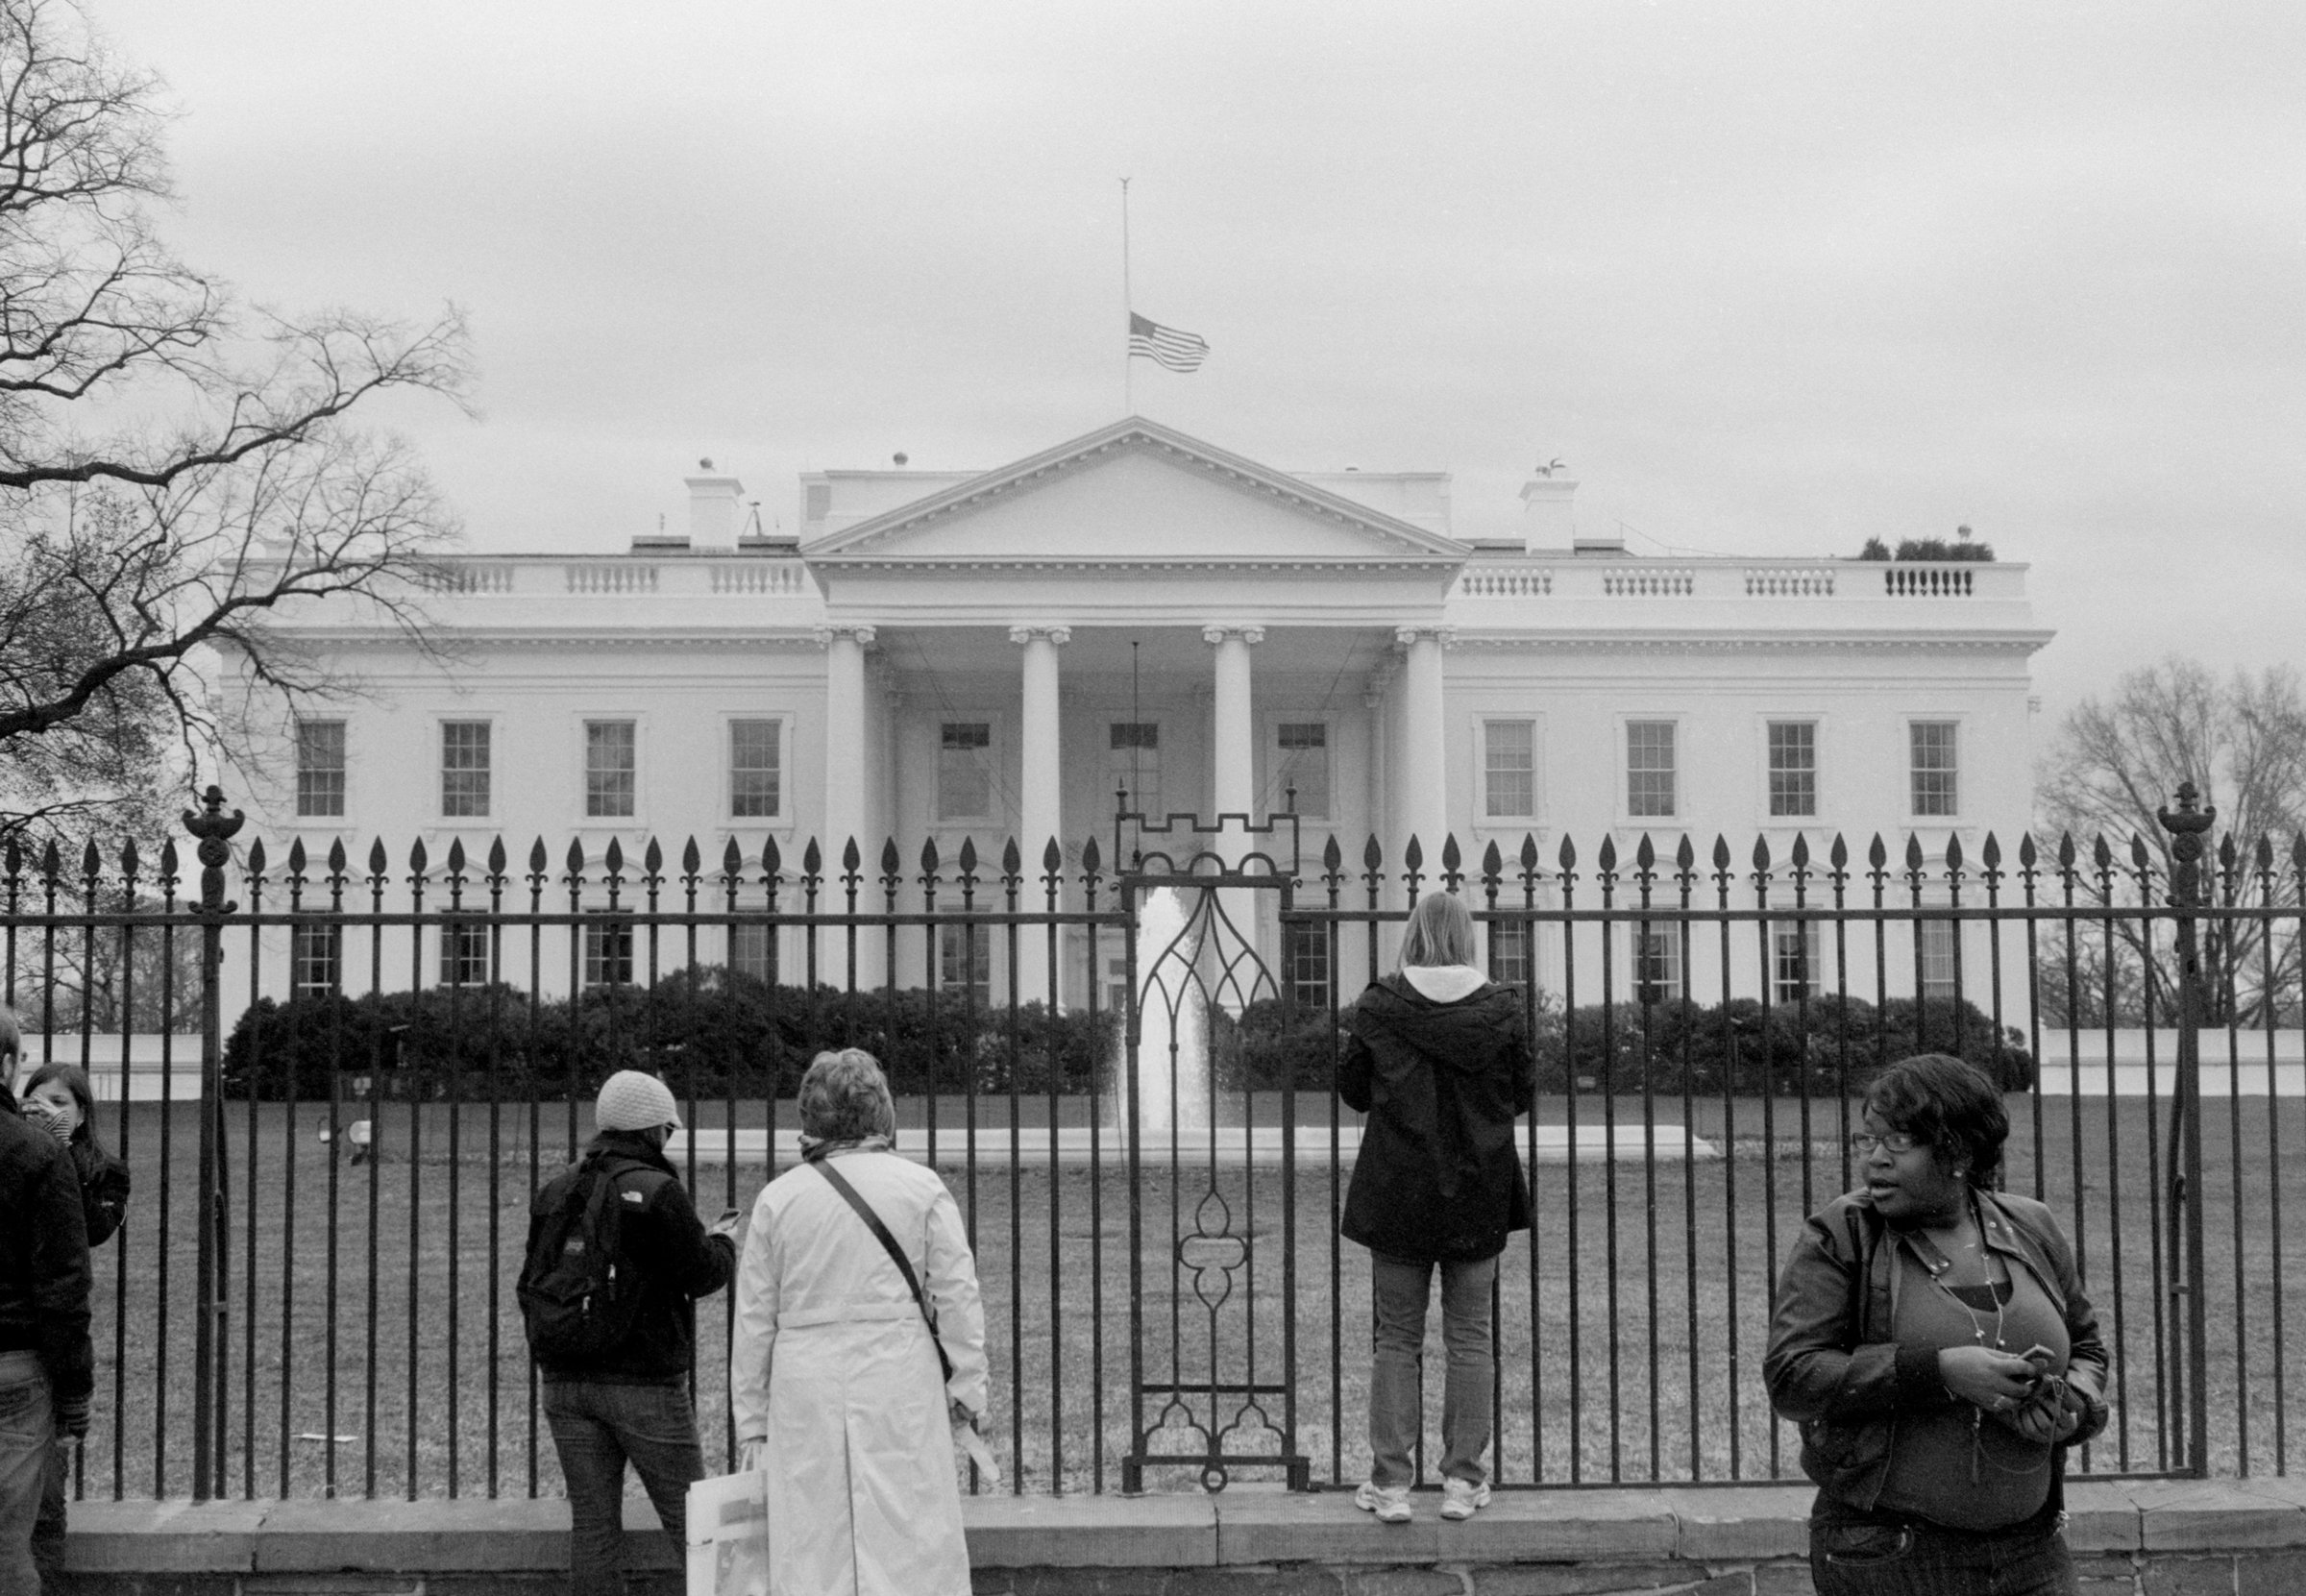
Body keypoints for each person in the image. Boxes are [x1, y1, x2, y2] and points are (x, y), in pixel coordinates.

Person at [1765, 1053, 2111, 1596]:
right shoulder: (1844, 1235)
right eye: (1867, 1140)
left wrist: (2076, 1410)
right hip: (1889, 1555)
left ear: (1959, 1149)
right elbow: (1793, 1375)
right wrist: (1940, 1372)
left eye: (1899, 1141)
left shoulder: (2031, 1227)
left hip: (2034, 1554)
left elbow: (2088, 1347)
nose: (1874, 1160)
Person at [730, 1048, 987, 1596]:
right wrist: (968, 1386)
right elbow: (959, 1296)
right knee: (911, 1529)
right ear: (881, 1109)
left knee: (812, 1538)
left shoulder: (779, 1199)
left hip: (806, 1381)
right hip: (899, 1372)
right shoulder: (919, 1188)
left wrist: (752, 1418)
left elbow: (754, 1320)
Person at [1338, 891, 1533, 1524]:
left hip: (1399, 1189)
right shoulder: (1501, 1009)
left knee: (1396, 1338)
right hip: (1477, 1190)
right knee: (1470, 1339)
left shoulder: (1380, 1005)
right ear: (1467, 936)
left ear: (1415, 933)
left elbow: (1353, 1091)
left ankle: (1391, 1483)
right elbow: (1522, 1095)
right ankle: (1462, 1479)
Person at [527, 1070, 737, 1596]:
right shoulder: (658, 1190)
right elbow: (701, 1274)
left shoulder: (557, 1189)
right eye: (668, 1129)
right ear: (653, 1130)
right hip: (643, 1384)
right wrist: (725, 1242)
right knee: (695, 1528)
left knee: (594, 1529)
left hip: (565, 1380)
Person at [17, 1063, 129, 1595]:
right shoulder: (12, 1151)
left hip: (53, 1330)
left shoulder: (107, 1171)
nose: (49, 1111)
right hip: (22, 1327)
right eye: (37, 1101)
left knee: (44, 1489)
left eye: (61, 1103)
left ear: (83, 1113)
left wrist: (57, 1157)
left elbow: (88, 1231)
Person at [0, 1011, 93, 1596]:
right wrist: (75, 1388)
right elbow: (62, 1286)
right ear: (9, 1065)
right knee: (8, 1547)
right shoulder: (34, 1152)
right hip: (14, 1364)